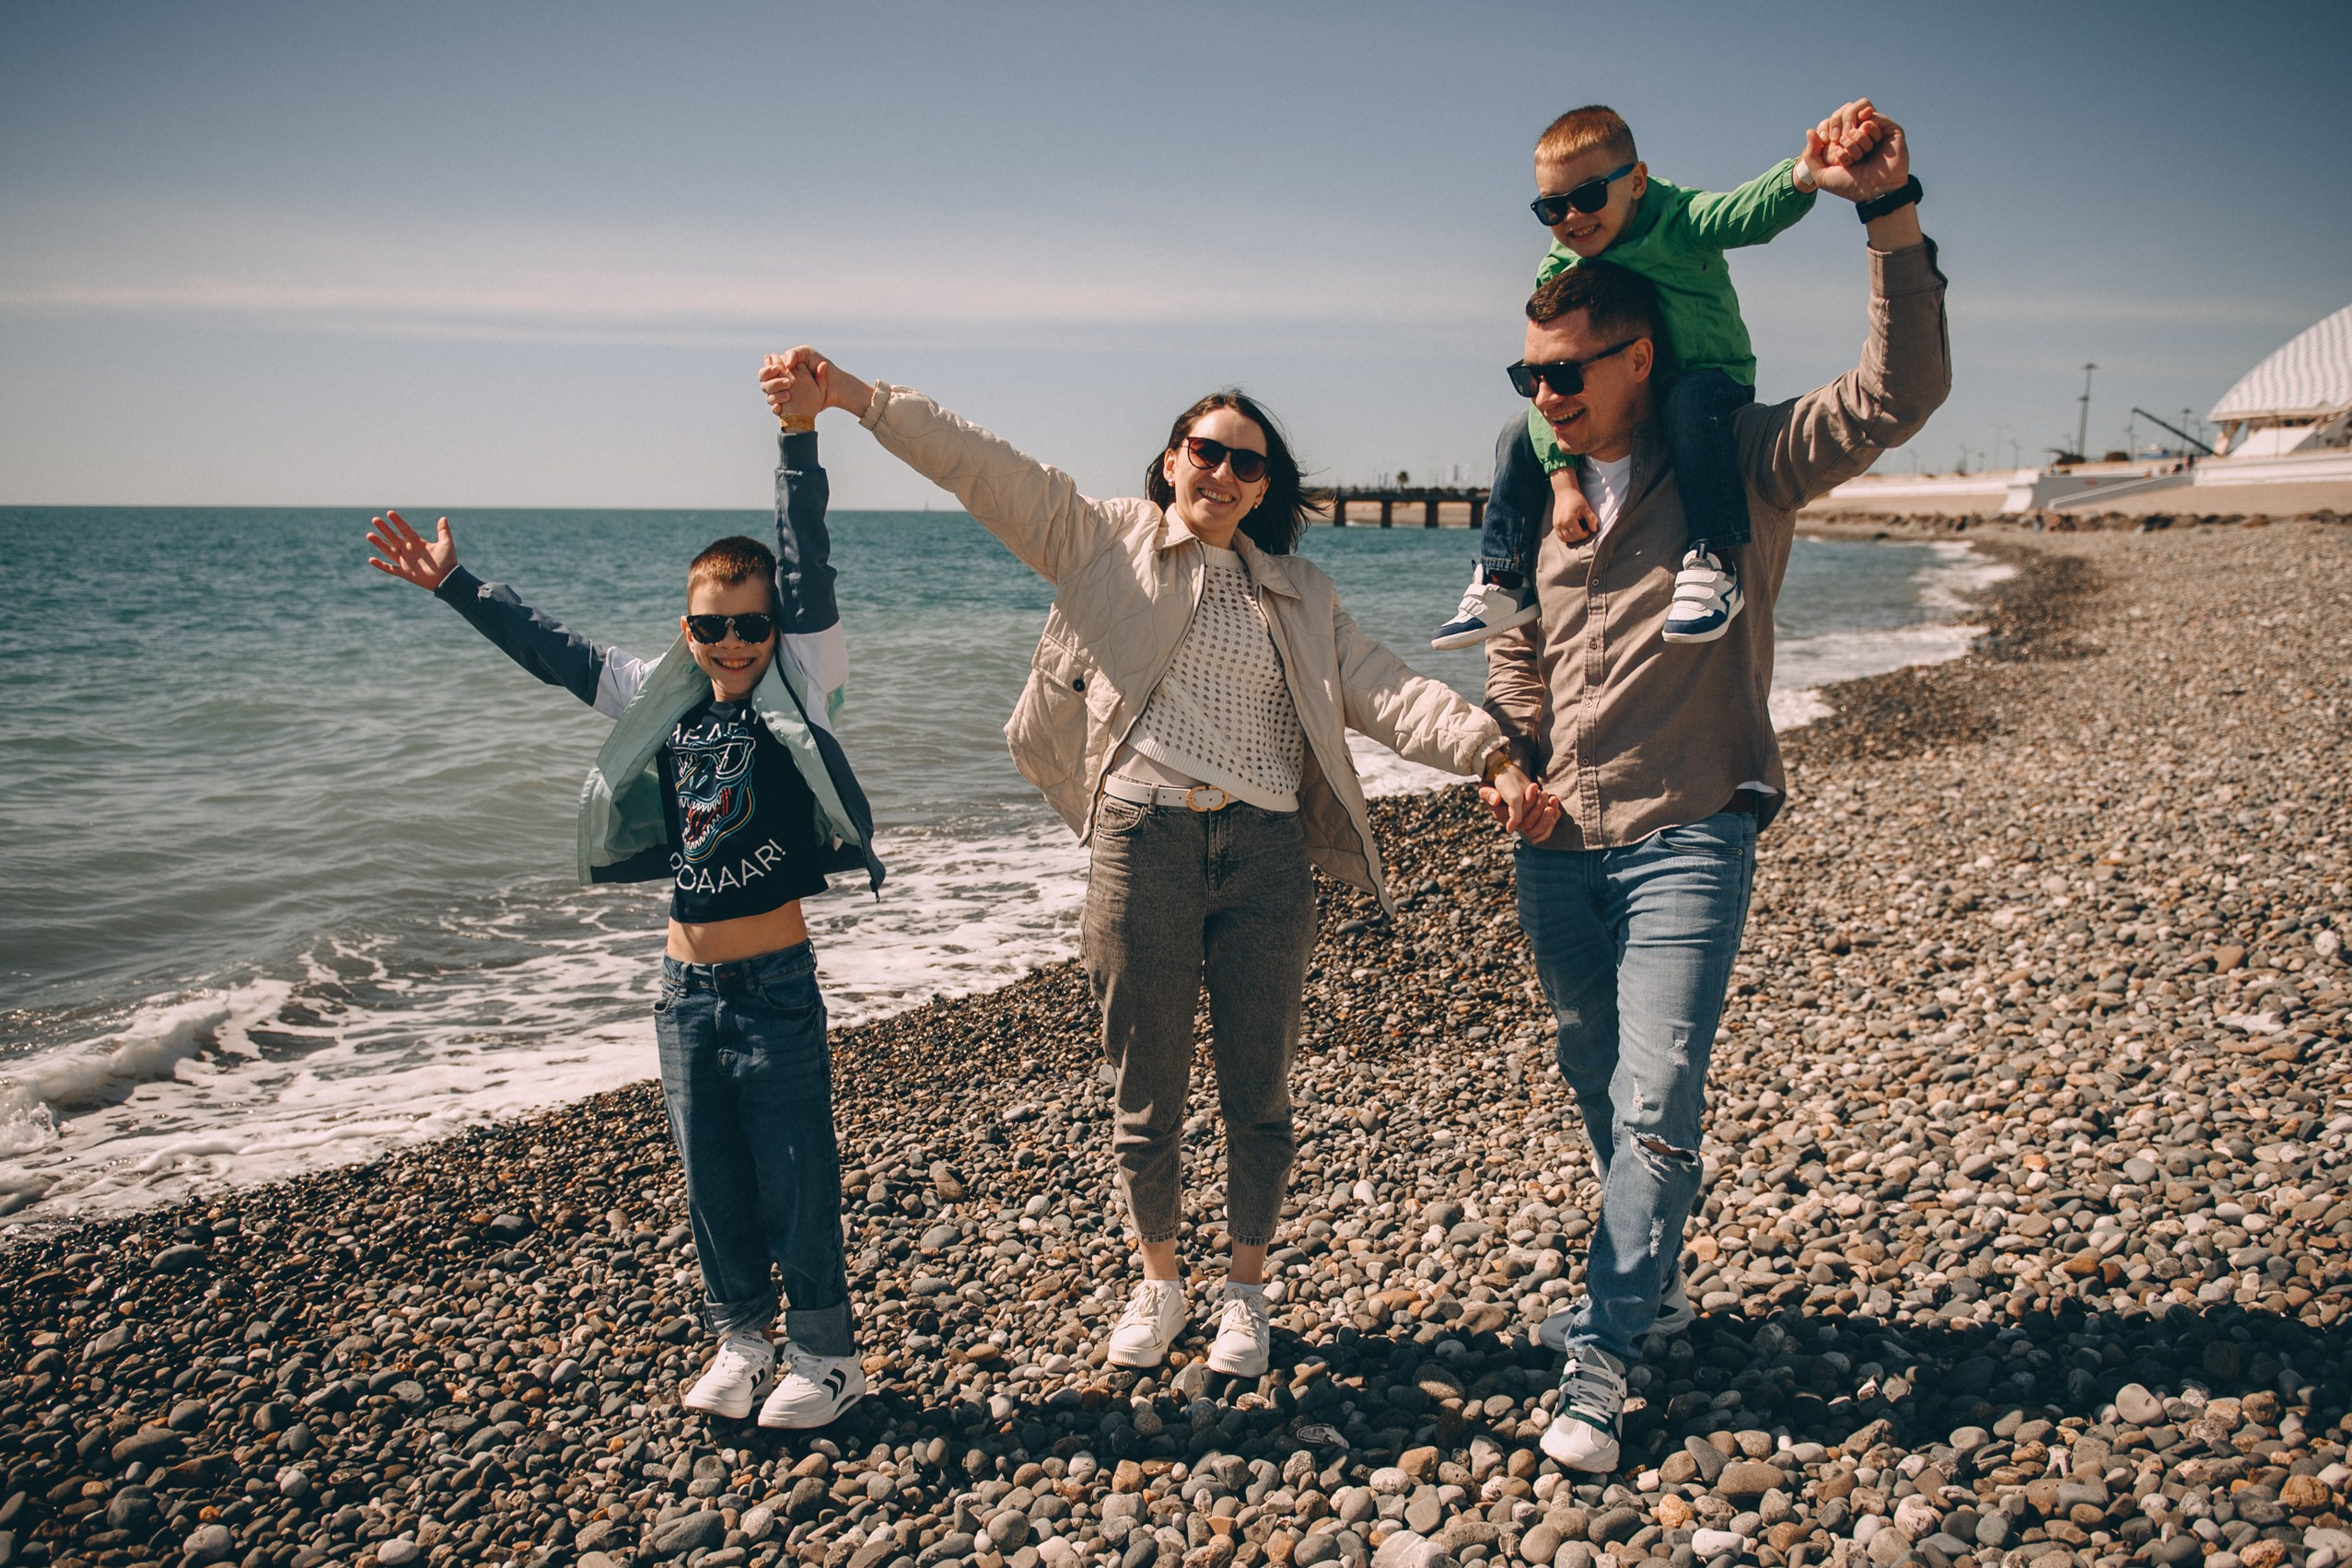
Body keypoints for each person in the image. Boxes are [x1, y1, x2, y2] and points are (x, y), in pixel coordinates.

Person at [758, 349, 1557, 1378]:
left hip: (1267, 854)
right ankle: (1160, 1279)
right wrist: (859, 400)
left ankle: (1246, 1294)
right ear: (1169, 460)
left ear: (1266, 489)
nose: (1221, 472)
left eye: (1245, 463)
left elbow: (1389, 691)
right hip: (1144, 844)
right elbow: (980, 466)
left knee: (1257, 1088)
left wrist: (1489, 752)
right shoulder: (1104, 541)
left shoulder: (1301, 591)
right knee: (1147, 1087)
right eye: (1204, 450)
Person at [1476, 106, 1945, 1471]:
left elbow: (1893, 395)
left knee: (1655, 1091)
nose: (1544, 397)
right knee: (1594, 1066)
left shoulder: (1736, 459)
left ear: (1641, 354)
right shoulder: (1547, 486)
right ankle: (1655, 1271)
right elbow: (1519, 651)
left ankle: (1606, 1350)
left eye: (1566, 374)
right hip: (1556, 839)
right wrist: (1508, 757)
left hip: (1689, 829)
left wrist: (1886, 214)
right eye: (1529, 374)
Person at [362, 379, 882, 1429]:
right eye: (711, 624)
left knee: (796, 1174)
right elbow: (555, 651)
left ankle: (826, 1355)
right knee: (714, 1182)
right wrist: (457, 584)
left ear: (774, 624)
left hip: (777, 987)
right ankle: (741, 1338)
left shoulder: (799, 680)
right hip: (683, 990)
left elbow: (806, 549)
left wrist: (796, 434)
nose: (732, 640)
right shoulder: (663, 696)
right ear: (685, 628)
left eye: (749, 622)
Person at [1433, 99, 1882, 652]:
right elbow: (1547, 360)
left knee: (1687, 404)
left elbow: (1743, 212)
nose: (1572, 218)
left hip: (1709, 383)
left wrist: (1805, 173)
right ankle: (1504, 578)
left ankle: (1713, 560)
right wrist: (1564, 482)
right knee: (1515, 430)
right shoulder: (1560, 262)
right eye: (1552, 208)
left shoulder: (1678, 218)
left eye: (1588, 196)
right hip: (1629, 393)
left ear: (1637, 181)